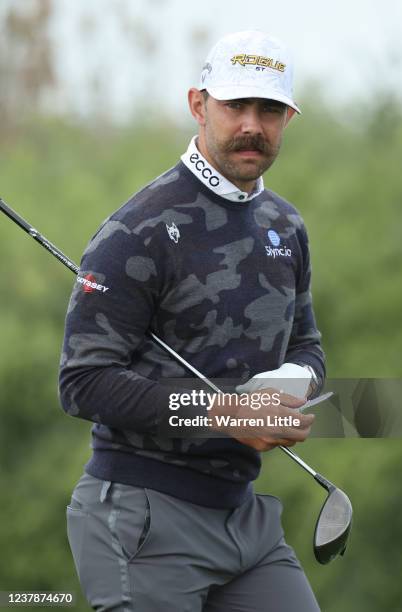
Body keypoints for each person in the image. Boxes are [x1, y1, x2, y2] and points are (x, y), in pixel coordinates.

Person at [59, 30, 325, 612]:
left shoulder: (286, 225)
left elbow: (307, 344)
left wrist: (287, 393)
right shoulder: (138, 230)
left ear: (288, 119)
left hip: (244, 517)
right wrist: (226, 412)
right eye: (236, 106)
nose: (252, 124)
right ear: (198, 105)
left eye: (270, 109)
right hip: (140, 513)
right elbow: (82, 382)